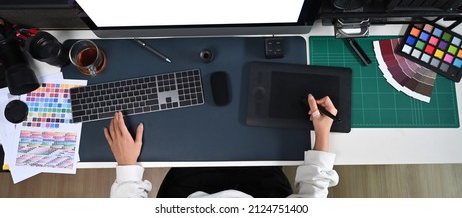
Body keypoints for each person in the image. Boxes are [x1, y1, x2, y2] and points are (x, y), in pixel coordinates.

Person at [103, 94, 339, 198]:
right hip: (263, 189)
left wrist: (127, 167)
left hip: (189, 188)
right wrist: (322, 132)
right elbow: (313, 196)